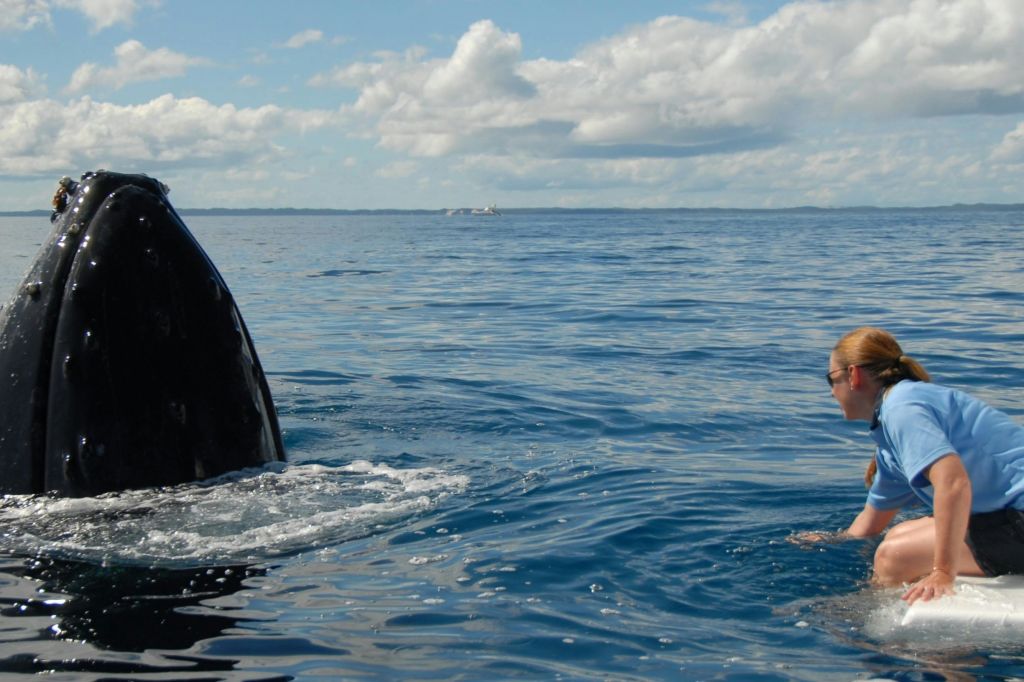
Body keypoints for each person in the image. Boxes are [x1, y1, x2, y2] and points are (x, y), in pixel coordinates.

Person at [814, 326, 1024, 605]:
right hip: (1010, 516)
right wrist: (827, 540)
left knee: (894, 557)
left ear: (853, 376)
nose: (831, 394)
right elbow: (870, 523)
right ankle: (871, 609)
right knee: (900, 534)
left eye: (831, 380)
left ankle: (881, 634)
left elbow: (954, 482)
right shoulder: (890, 434)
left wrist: (942, 572)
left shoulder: (902, 407)